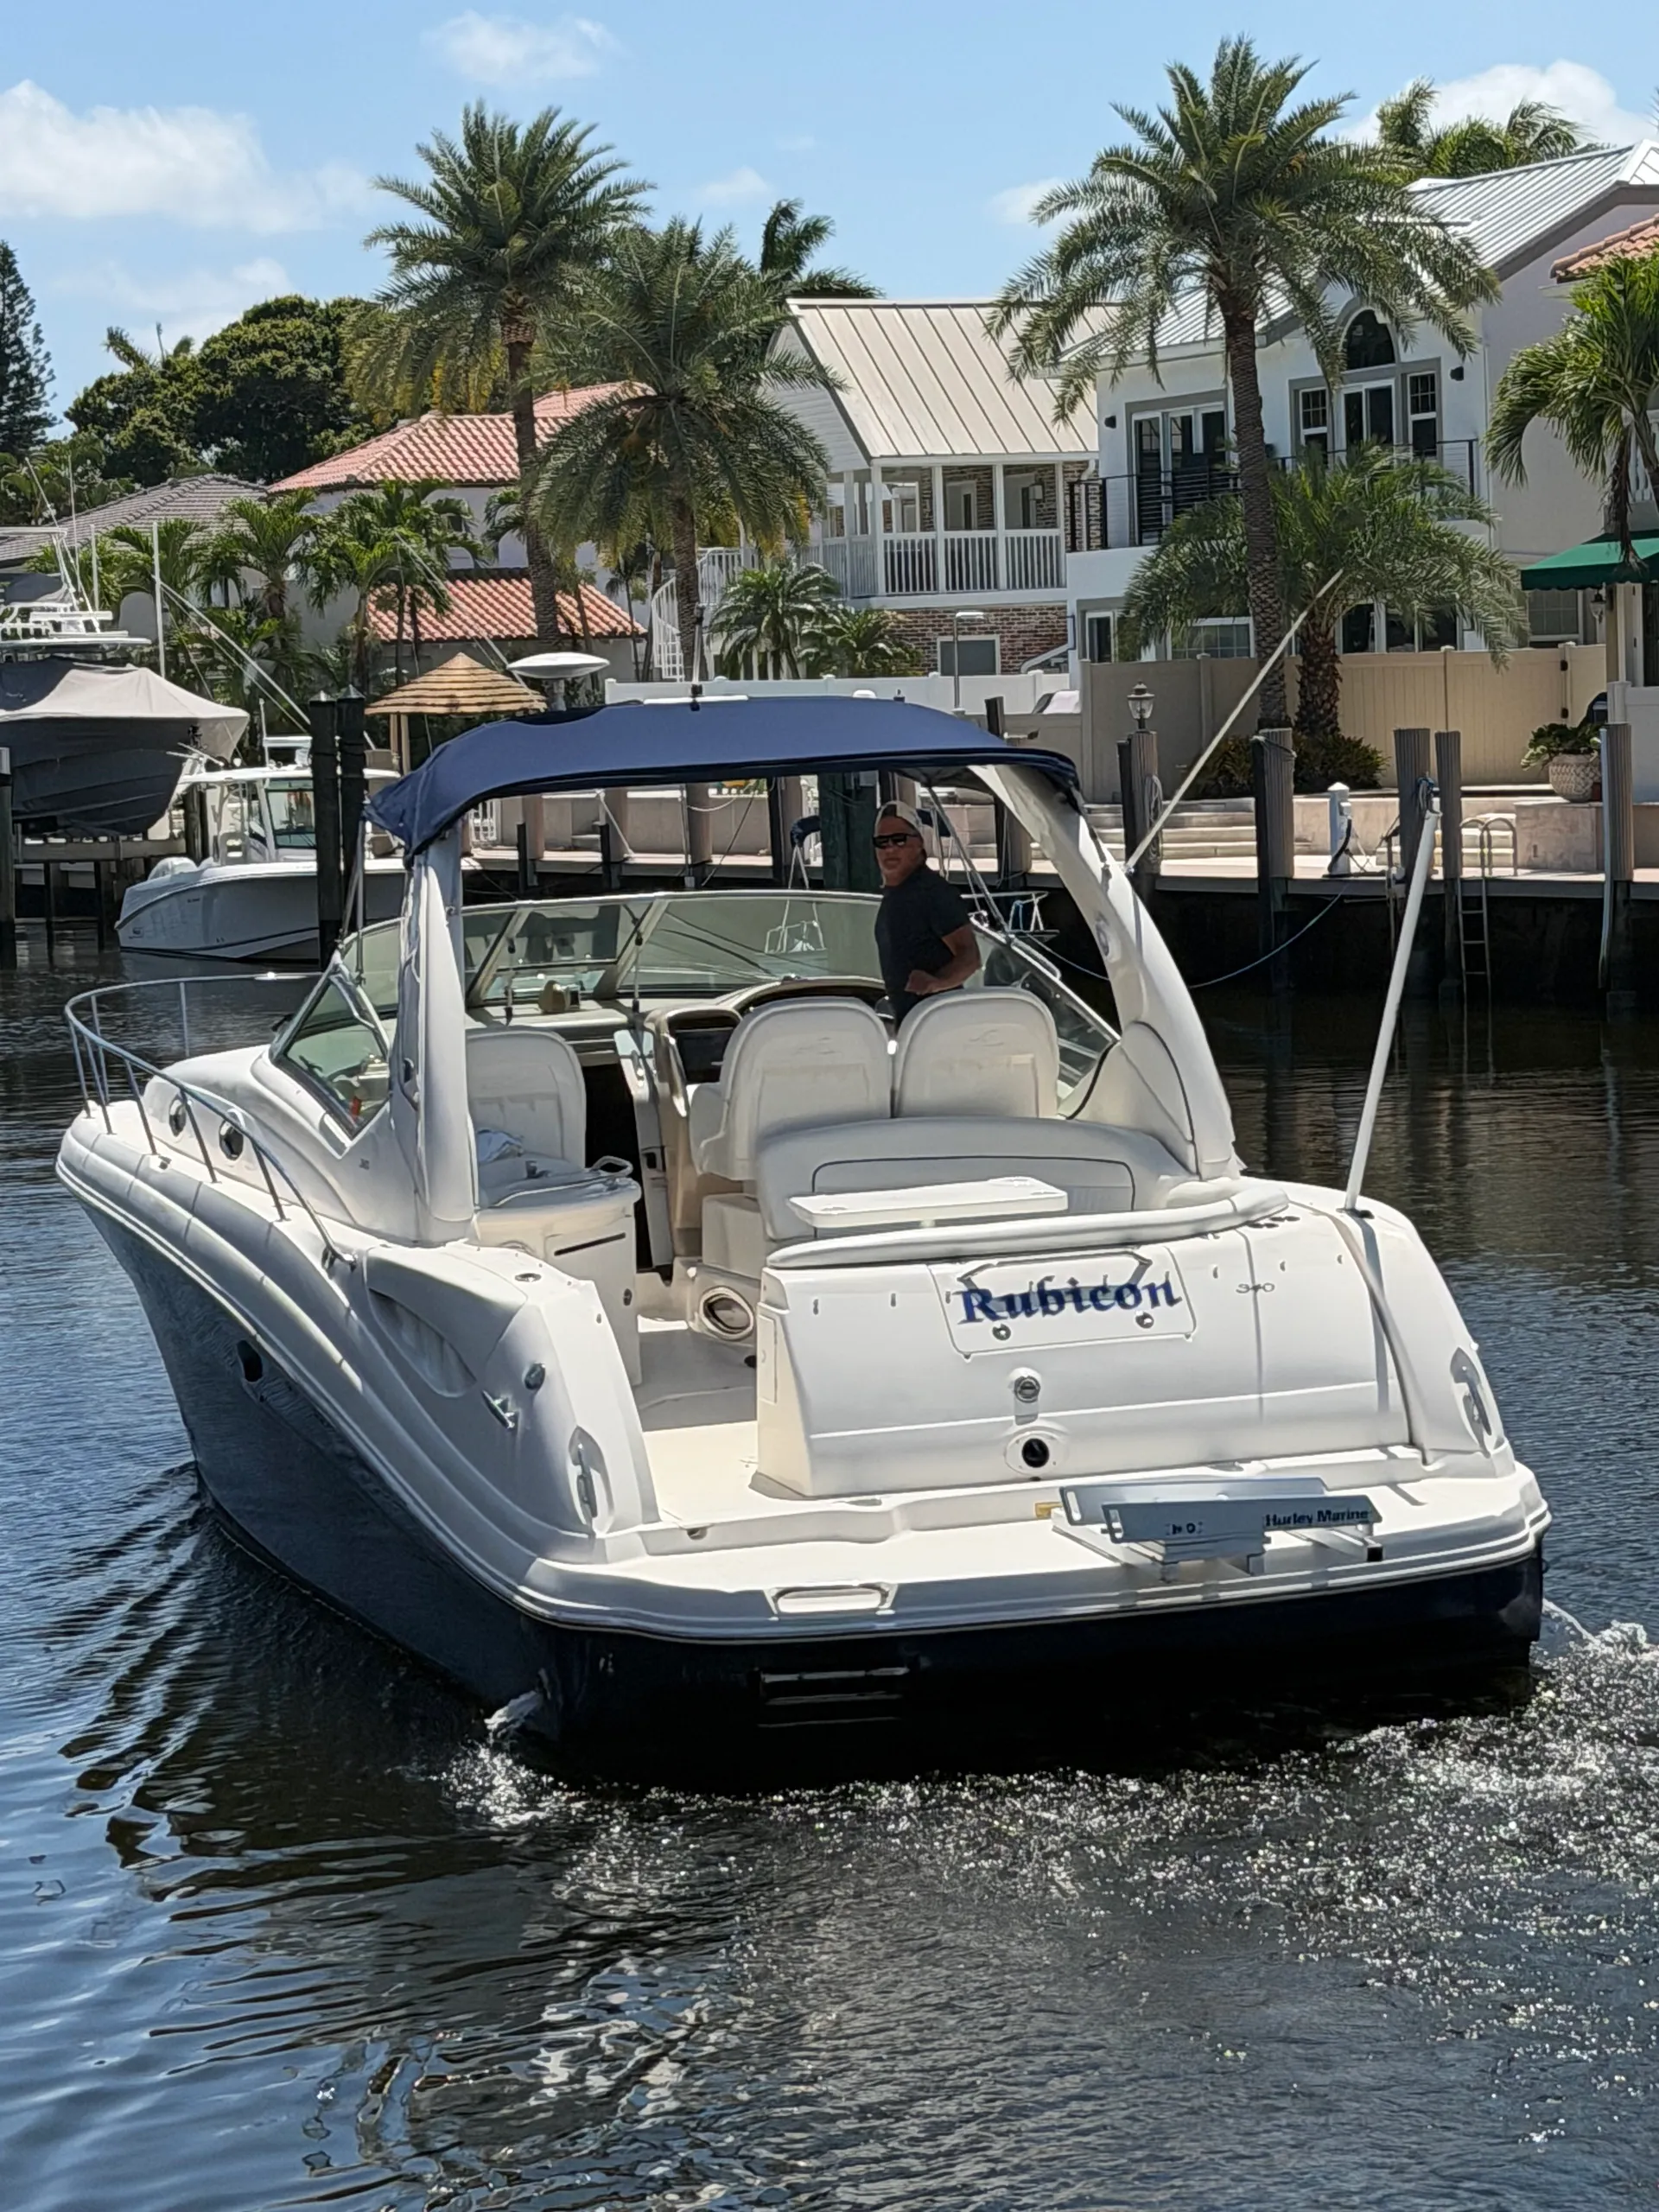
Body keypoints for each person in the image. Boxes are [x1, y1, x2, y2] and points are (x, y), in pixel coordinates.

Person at [871, 801, 981, 1022]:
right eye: (882, 842)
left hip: (940, 1026)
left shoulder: (932, 892)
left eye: (899, 839)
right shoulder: (895, 893)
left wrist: (936, 982)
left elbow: (970, 958)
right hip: (913, 1026)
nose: (890, 848)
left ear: (919, 843)